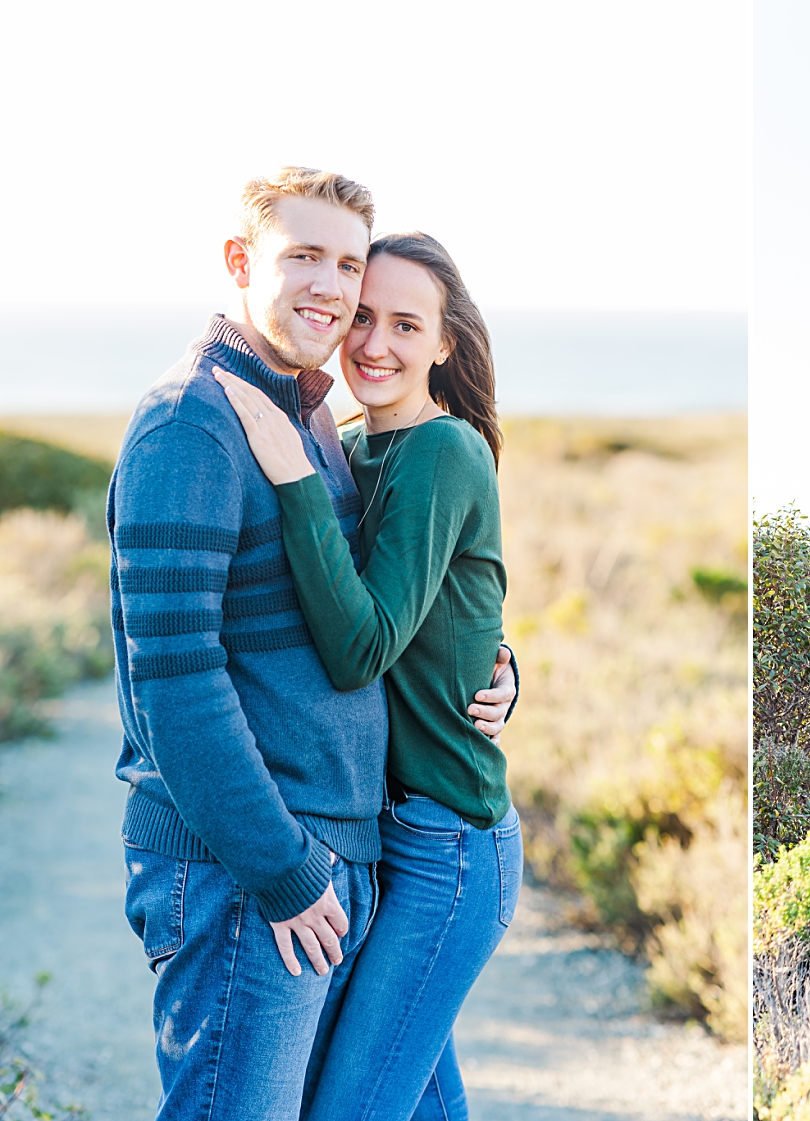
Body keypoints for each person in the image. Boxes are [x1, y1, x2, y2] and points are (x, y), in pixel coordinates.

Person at [111, 168, 515, 1120]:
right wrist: (285, 869)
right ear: (241, 262)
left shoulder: (310, 421)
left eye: (347, 264)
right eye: (305, 258)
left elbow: (405, 598)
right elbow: (174, 681)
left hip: (346, 856)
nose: (335, 294)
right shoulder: (191, 424)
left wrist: (494, 663)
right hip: (255, 873)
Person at [215, 230, 516, 1120]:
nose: (375, 345)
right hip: (380, 833)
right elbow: (457, 614)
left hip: (448, 845)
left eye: (406, 324)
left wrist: (293, 476)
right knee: (414, 1095)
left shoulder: (443, 450)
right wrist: (503, 661)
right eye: (363, 318)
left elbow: (363, 645)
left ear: (445, 341)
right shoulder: (355, 445)